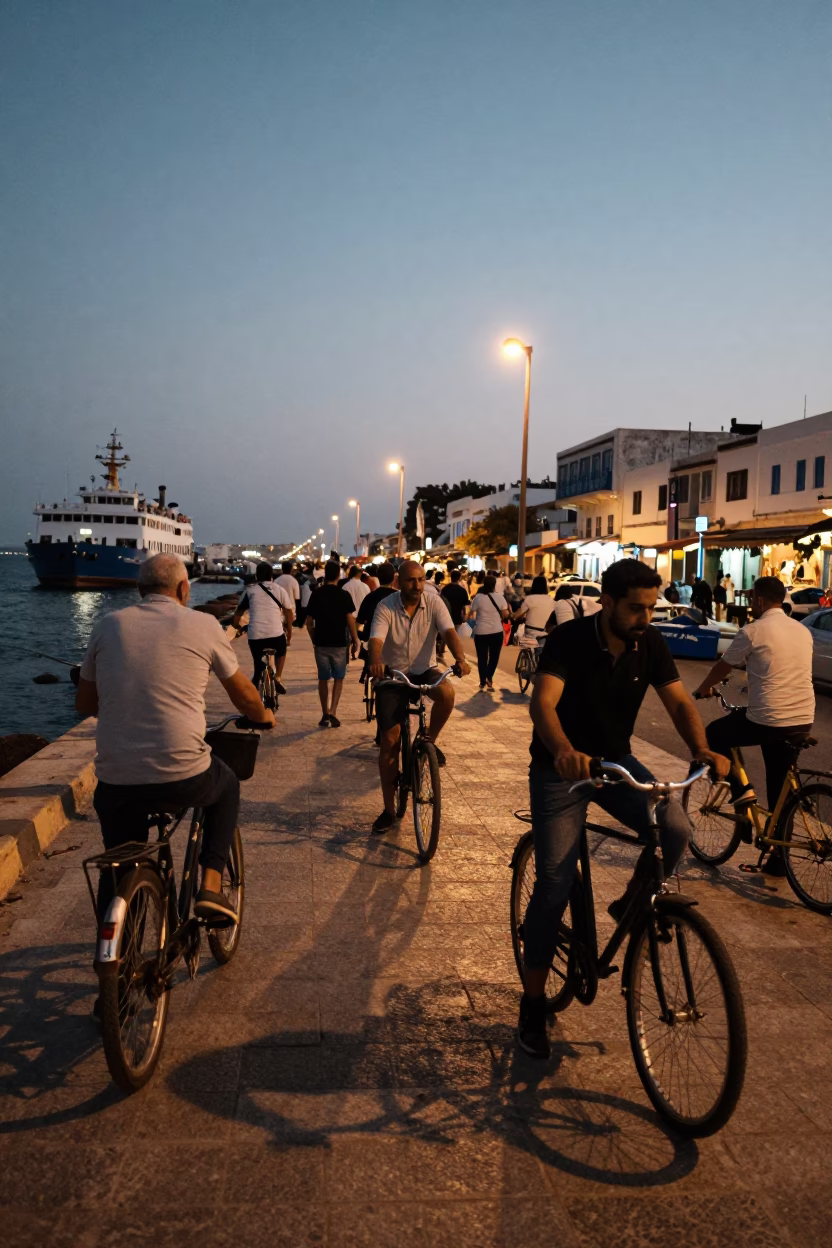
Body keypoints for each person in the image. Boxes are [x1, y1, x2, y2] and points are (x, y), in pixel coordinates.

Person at [518, 558, 729, 1058]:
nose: (646, 617)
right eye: (637, 608)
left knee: (676, 827)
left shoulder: (649, 644)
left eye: (652, 607)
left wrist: (700, 748)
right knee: (552, 885)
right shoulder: (570, 639)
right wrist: (565, 751)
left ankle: (632, 904)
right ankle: (531, 1005)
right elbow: (543, 703)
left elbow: (679, 702)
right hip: (561, 770)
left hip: (616, 763)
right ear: (608, 602)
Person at [75, 555, 274, 935]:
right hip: (181, 775)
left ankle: (114, 959)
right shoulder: (203, 624)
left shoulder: (107, 625)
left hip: (116, 780)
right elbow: (244, 695)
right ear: (185, 589)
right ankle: (211, 887)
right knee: (226, 785)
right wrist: (264, 716)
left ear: (139, 590)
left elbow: (85, 705)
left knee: (120, 861)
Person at [695, 575, 815, 875]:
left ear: (760, 601)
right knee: (780, 786)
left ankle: (740, 800)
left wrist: (705, 688)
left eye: (751, 599)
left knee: (715, 733)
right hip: (802, 717)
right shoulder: (802, 631)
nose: (749, 604)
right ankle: (778, 860)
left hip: (769, 718)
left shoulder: (753, 630)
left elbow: (723, 666)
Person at [367, 560, 471, 832]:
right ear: (399, 581)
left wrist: (460, 659)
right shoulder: (386, 606)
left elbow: (449, 631)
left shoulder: (434, 603)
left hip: (425, 669)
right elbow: (376, 639)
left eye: (421, 580)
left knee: (447, 693)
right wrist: (376, 662)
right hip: (394, 674)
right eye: (411, 580)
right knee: (390, 742)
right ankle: (389, 811)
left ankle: (429, 742)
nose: (417, 585)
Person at [305, 561, 360, 727]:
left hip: (321, 642)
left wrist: (314, 638)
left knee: (323, 679)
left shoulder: (316, 594)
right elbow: (350, 619)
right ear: (338, 575)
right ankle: (333, 712)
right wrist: (355, 639)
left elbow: (309, 622)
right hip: (339, 643)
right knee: (338, 678)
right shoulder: (344, 595)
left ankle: (324, 714)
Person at [231, 562, 294, 698]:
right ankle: (277, 677)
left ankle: (256, 692)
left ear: (256, 576)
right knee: (281, 651)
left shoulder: (250, 592)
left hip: (256, 636)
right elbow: (289, 613)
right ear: (271, 576)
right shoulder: (279, 590)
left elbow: (237, 616)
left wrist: (239, 627)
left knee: (258, 667)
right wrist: (289, 632)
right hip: (276, 635)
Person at [468, 574, 510, 691]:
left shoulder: (478, 598)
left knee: (482, 658)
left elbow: (471, 612)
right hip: (496, 632)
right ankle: (489, 678)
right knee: (494, 657)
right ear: (494, 585)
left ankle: (482, 681)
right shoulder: (500, 597)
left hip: (481, 632)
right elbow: (505, 615)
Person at [356, 561, 397, 669]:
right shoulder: (399, 598)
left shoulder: (370, 597)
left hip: (372, 642)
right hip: (395, 645)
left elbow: (359, 623)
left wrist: (362, 637)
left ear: (378, 577)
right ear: (394, 577)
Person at [513, 576, 556, 643]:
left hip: (531, 633)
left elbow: (517, 615)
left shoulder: (529, 599)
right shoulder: (551, 600)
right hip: (547, 633)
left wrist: (512, 615)